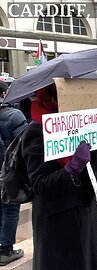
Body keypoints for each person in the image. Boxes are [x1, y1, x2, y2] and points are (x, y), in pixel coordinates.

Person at [21, 86, 97, 270]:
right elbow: (40, 185)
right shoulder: (36, 131)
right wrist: (72, 167)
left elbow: (90, 164)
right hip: (58, 218)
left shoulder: (78, 123)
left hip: (83, 208)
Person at [0, 81, 27, 266]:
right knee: (10, 208)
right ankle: (5, 250)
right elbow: (23, 146)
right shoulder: (14, 115)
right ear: (4, 94)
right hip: (8, 171)